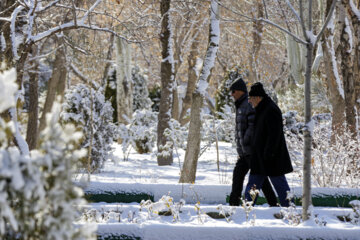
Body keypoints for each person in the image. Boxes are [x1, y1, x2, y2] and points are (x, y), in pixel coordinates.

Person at [228, 78, 277, 207]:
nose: (232, 94)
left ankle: (273, 204)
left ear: (240, 91)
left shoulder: (248, 104)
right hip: (244, 152)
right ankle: (233, 205)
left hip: (251, 150)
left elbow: (253, 125)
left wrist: (245, 141)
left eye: (233, 91)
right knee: (238, 176)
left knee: (261, 179)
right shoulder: (240, 105)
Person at [245, 82, 293, 207]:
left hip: (271, 158)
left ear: (257, 98)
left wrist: (268, 154)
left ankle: (291, 211)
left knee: (280, 186)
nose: (249, 101)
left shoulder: (270, 110)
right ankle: (246, 210)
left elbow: (274, 135)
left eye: (251, 99)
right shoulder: (263, 109)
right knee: (253, 185)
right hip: (261, 158)